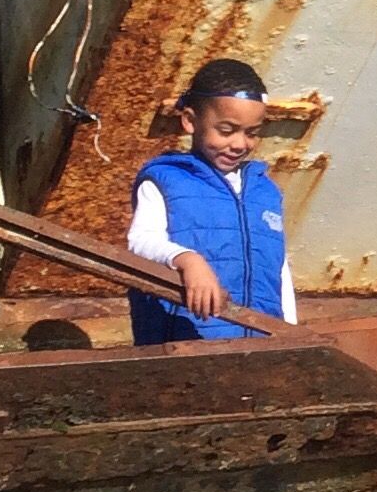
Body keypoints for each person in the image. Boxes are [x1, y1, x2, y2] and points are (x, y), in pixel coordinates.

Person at [126, 57, 297, 345]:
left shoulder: (265, 191)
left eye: (252, 133)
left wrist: (291, 334)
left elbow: (279, 269)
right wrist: (187, 260)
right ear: (190, 121)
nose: (240, 144)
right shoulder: (165, 180)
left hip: (260, 348)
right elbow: (140, 242)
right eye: (227, 130)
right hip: (186, 346)